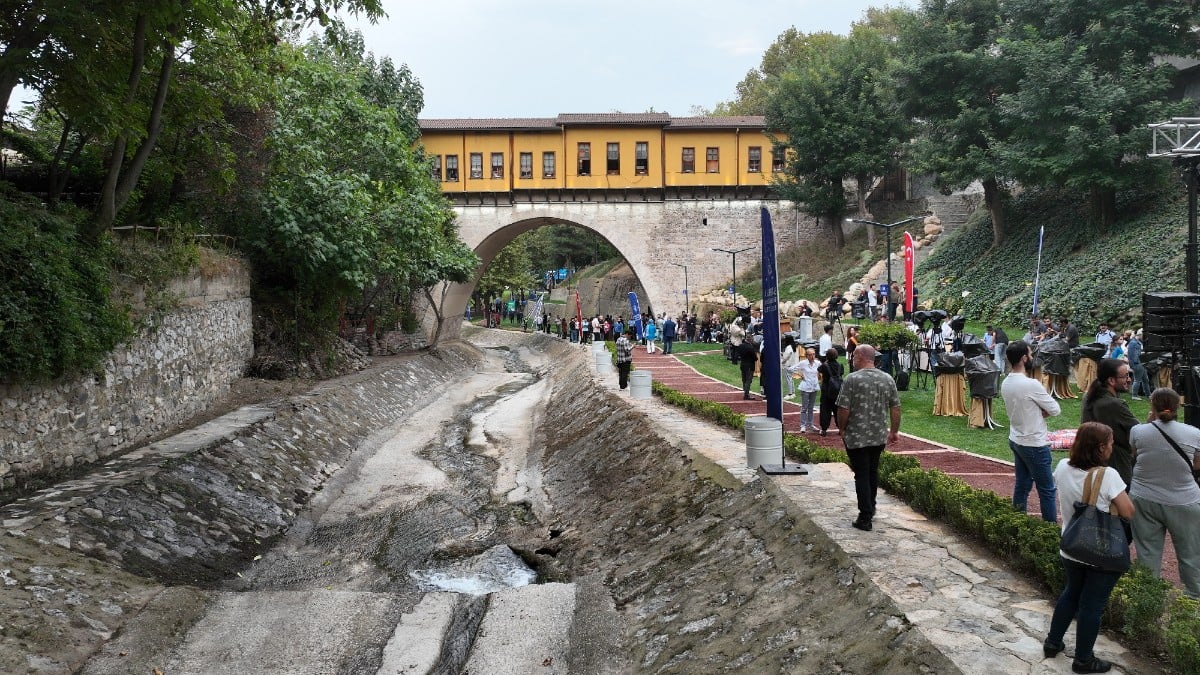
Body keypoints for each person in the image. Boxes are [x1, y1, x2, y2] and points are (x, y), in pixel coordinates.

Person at [1043, 422, 1135, 674]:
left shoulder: (1062, 467)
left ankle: (1052, 643)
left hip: (1072, 546)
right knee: (1092, 605)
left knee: (1071, 593)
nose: (1112, 447)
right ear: (1100, 448)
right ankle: (1083, 660)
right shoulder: (1108, 476)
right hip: (1100, 553)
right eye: (1110, 443)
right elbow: (1128, 511)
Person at [1129, 387, 1200, 597]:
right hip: (1184, 500)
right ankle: (1194, 600)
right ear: (1178, 405)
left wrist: (1149, 422)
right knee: (1191, 554)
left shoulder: (1138, 431)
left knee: (1147, 553)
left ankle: (1148, 599)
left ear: (1152, 406)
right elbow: (1197, 465)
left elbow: (1136, 454)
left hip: (1144, 498)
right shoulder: (1194, 433)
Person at [836, 344, 901, 531]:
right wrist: (894, 431)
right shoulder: (887, 379)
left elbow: (843, 409)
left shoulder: (852, 380)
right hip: (878, 435)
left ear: (862, 356)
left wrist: (842, 428)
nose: (852, 359)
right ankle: (871, 508)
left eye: (854, 355)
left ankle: (865, 517)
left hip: (856, 436)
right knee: (872, 471)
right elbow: (895, 407)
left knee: (862, 474)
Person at [1000, 341, 1060, 522]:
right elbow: (1055, 409)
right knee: (1047, 491)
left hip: (1017, 439)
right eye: (1030, 354)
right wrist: (1041, 412)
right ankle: (1049, 531)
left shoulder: (1006, 382)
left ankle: (1018, 523)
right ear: (1024, 358)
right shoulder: (1031, 384)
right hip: (1034, 443)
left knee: (1022, 486)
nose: (1032, 357)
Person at [1081, 358, 1139, 487]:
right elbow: (1137, 431)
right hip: (1117, 464)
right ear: (1111, 380)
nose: (1129, 379)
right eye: (1125, 376)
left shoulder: (1090, 396)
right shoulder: (1114, 404)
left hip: (1093, 461)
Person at [817, 349, 843, 436]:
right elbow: (841, 373)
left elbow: (819, 369)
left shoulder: (824, 366)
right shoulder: (840, 365)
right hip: (837, 391)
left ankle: (824, 429)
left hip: (826, 391)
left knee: (825, 410)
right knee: (837, 411)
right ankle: (840, 428)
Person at [796, 347, 820, 432]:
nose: (812, 356)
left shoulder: (817, 363)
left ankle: (811, 424)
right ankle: (803, 425)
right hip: (805, 387)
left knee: (811, 407)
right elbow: (792, 368)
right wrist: (800, 374)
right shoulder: (803, 363)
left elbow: (822, 370)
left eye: (813, 354)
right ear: (806, 356)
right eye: (810, 355)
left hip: (814, 387)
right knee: (804, 407)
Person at [1127, 329, 1150, 399]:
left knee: (1145, 380)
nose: (1144, 337)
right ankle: (1134, 395)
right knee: (1137, 380)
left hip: (1141, 363)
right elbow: (1133, 355)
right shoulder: (1133, 343)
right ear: (1140, 335)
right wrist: (1135, 364)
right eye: (1143, 335)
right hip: (1138, 363)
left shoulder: (1138, 342)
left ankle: (1148, 394)